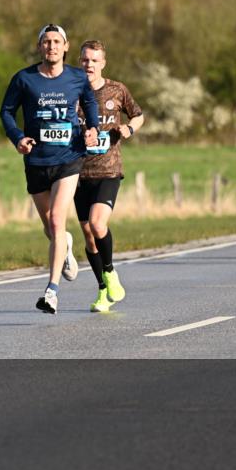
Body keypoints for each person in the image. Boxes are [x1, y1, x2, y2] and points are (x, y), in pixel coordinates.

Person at [0, 24, 99, 314]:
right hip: (36, 161)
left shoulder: (77, 78)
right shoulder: (24, 79)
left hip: (69, 157)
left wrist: (92, 128)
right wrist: (18, 138)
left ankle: (51, 291)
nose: (52, 47)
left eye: (57, 42)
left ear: (66, 47)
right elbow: (6, 111)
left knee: (57, 219)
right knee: (51, 228)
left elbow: (89, 102)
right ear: (40, 46)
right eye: (46, 42)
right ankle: (65, 246)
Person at [73, 40, 145, 312]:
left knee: (97, 224)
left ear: (103, 63)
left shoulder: (117, 89)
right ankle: (103, 290)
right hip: (78, 173)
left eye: (94, 60)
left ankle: (111, 272)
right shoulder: (71, 91)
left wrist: (129, 129)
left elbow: (138, 115)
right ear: (80, 62)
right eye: (85, 60)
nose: (89, 64)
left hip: (108, 170)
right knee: (88, 237)